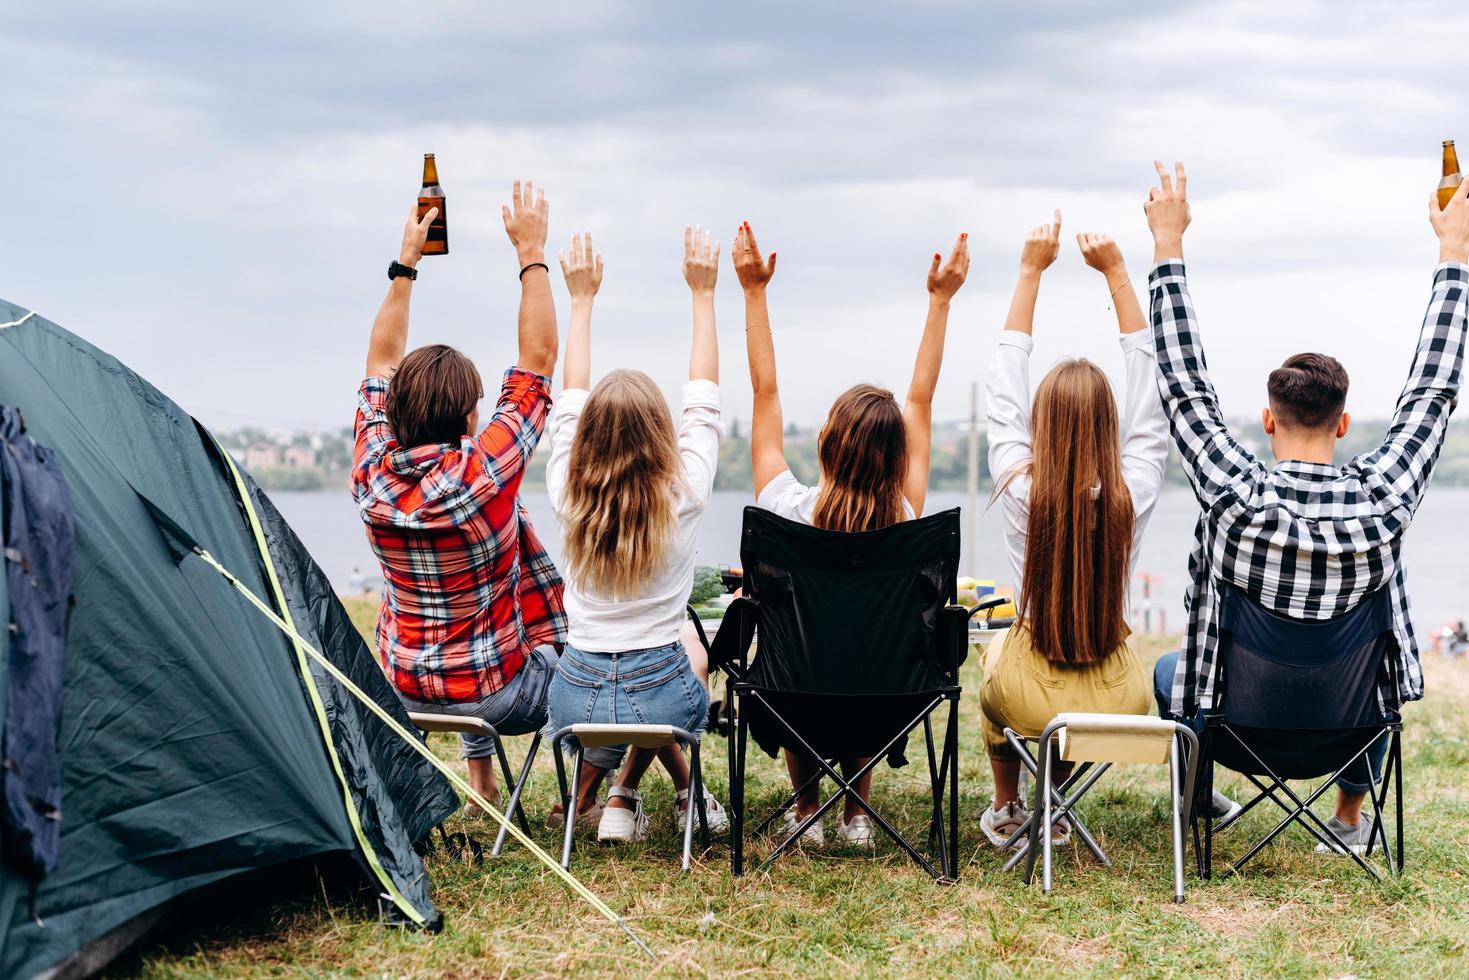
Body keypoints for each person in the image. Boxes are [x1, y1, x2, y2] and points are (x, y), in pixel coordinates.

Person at [1146, 160, 1469, 853]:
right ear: (1343, 423)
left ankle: (1198, 799)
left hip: (1235, 728)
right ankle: (1349, 820)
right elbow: (1432, 393)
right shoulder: (1382, 499)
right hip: (1349, 728)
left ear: (1267, 420)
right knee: (1371, 662)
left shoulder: (1235, 496)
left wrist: (1167, 247)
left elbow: (1182, 387)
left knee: (1169, 672)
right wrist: (1454, 253)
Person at [352, 182, 598, 816]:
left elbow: (380, 358)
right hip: (499, 699)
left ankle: (483, 778)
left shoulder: (372, 474)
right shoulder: (484, 472)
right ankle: (604, 797)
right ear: (467, 417)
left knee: (478, 584)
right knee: (595, 673)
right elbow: (539, 359)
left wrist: (406, 262)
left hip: (403, 686)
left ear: (396, 413)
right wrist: (531, 252)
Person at [734, 219, 969, 847]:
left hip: (795, 700)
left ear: (823, 444)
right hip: (887, 705)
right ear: (899, 462)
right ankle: (858, 813)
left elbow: (764, 395)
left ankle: (808, 805)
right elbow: (918, 402)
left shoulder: (783, 511)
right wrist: (940, 301)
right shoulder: (908, 517)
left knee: (807, 648)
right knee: (864, 646)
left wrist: (753, 291)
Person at [979, 213, 1167, 847]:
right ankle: (1055, 801)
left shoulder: (1018, 490)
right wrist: (1118, 273)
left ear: (1041, 426)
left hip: (1031, 698)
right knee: (1024, 671)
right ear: (1109, 428)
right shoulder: (1130, 494)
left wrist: (1030, 270)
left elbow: (1002, 398)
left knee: (992, 656)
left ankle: (1012, 809)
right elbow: (1151, 407)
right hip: (1117, 702)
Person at [544, 226, 731, 843]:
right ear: (661, 436)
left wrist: (580, 301)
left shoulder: (569, 496)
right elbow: (703, 407)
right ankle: (679, 793)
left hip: (576, 705)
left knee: (651, 661)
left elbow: (569, 402)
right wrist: (703, 295)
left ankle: (622, 798)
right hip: (662, 702)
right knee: (688, 648)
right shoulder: (685, 495)